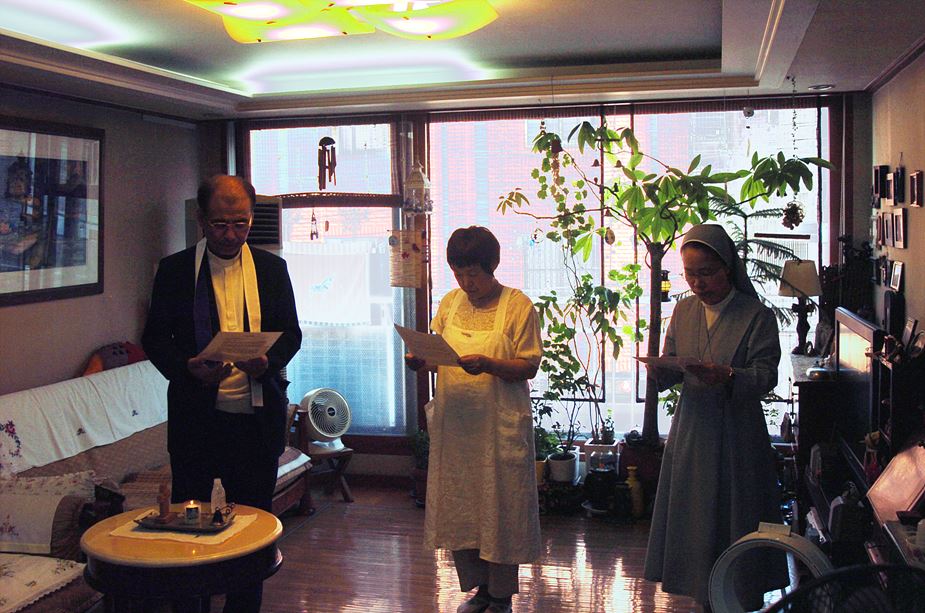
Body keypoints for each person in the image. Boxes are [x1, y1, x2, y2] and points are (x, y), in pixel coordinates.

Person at [142, 175, 301, 613]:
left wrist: (268, 361)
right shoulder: (175, 270)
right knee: (188, 530)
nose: (230, 234)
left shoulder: (272, 270)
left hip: (255, 420)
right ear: (200, 219)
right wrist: (186, 367)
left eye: (240, 223)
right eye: (219, 224)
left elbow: (291, 333)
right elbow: (154, 339)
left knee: (252, 532)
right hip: (196, 421)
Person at [643, 223, 788, 611]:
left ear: (727, 267)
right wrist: (660, 371)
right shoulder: (684, 310)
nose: (697, 283)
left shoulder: (756, 315)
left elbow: (766, 376)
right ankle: (700, 594)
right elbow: (674, 363)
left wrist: (728, 376)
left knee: (735, 516)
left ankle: (739, 595)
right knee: (694, 517)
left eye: (706, 272)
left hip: (738, 433)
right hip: (692, 430)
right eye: (690, 274)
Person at [405, 226, 542, 613]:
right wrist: (421, 361)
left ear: (492, 266)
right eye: (459, 274)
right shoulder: (450, 303)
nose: (467, 283)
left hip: (498, 428)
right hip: (457, 427)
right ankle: (480, 590)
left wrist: (489, 364)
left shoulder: (517, 306)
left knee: (501, 511)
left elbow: (529, 366)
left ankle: (500, 596)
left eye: (474, 274)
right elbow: (441, 356)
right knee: (463, 509)